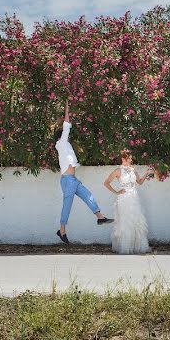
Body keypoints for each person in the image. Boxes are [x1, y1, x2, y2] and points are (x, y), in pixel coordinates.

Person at [53, 101, 112, 243]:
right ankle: (62, 231)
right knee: (67, 206)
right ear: (61, 137)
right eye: (65, 135)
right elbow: (66, 125)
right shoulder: (61, 144)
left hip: (73, 180)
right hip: (67, 181)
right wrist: (67, 109)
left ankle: (100, 217)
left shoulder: (66, 146)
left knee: (88, 195)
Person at [103, 150, 153, 254]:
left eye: (131, 158)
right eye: (129, 158)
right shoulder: (118, 171)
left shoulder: (133, 169)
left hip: (134, 197)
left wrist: (146, 174)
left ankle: (137, 246)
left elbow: (139, 182)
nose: (131, 160)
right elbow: (106, 183)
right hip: (124, 198)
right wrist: (116, 192)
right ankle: (125, 246)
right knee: (125, 221)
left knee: (136, 220)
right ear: (123, 159)